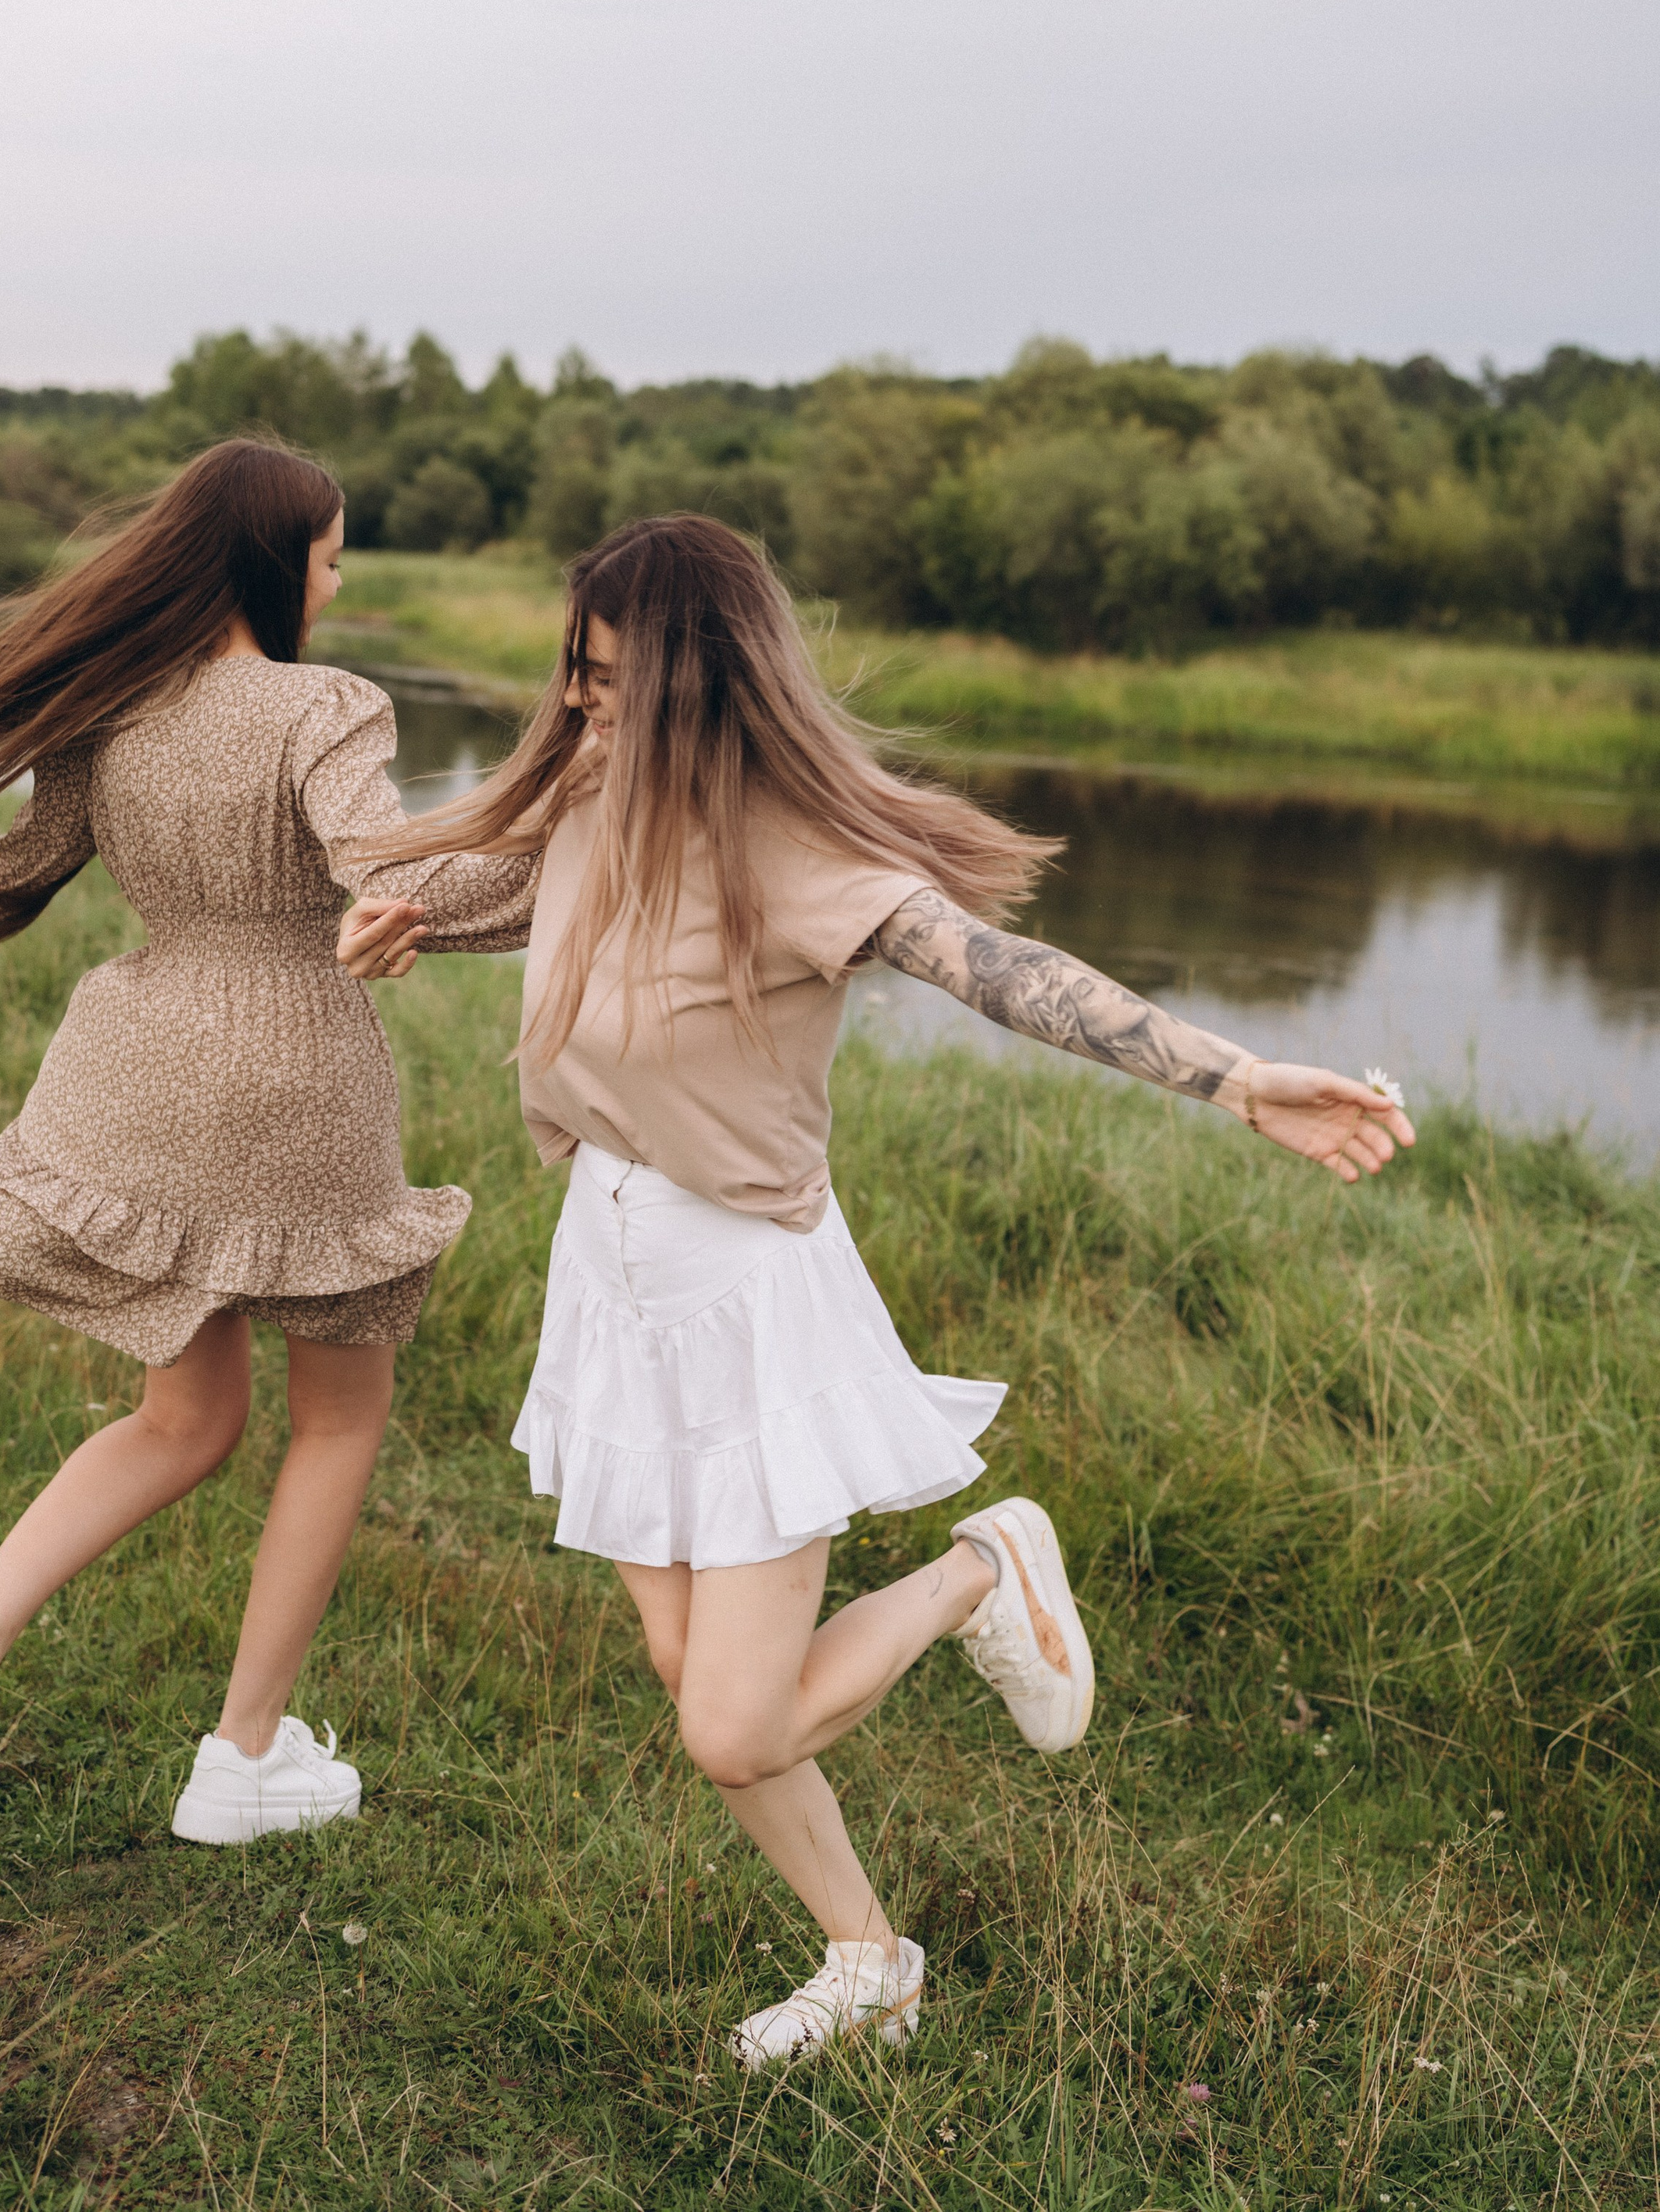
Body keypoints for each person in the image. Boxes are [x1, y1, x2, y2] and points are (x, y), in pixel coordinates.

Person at [336, 514, 1414, 2071]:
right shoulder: (591, 796)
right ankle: (871, 1960)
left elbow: (997, 972)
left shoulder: (794, 854)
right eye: (576, 674)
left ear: (704, 685)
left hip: (746, 1294)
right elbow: (529, 889)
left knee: (733, 1725)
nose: (581, 706)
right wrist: (414, 916)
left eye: (615, 683)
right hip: (608, 1272)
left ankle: (983, 1568)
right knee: (689, 1675)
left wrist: (1234, 1078)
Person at [0, 440, 536, 1870]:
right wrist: (571, 867)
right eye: (331, 559)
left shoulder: (111, 700)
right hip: (296, 1077)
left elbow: (19, 865)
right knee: (337, 1418)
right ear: (276, 561)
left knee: (187, 1418)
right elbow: (386, 877)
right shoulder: (324, 705)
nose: (335, 586)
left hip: (142, 1069)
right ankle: (244, 1756)